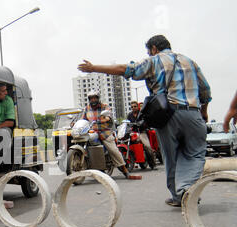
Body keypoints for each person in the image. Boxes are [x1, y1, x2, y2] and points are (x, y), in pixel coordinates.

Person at [78, 34, 212, 207]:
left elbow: (125, 69)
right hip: (193, 113)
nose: (149, 54)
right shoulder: (190, 62)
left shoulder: (154, 61)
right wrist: (204, 112)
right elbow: (206, 92)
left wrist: (93, 67)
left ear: (154, 49)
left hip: (167, 116)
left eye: (149, 51)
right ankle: (186, 189)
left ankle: (180, 193)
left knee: (170, 157)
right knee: (195, 154)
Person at [82, 91, 142, 180]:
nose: (93, 100)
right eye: (91, 98)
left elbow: (108, 116)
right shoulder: (87, 108)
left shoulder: (104, 106)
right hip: (92, 132)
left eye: (94, 98)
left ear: (98, 98)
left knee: (113, 150)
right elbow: (83, 119)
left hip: (104, 132)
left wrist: (104, 119)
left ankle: (126, 172)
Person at [126, 101, 156, 169]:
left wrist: (141, 123)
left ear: (138, 107)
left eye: (135, 106)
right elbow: (127, 123)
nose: (133, 108)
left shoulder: (142, 113)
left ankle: (152, 164)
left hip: (141, 132)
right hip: (133, 133)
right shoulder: (129, 115)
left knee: (147, 146)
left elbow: (145, 120)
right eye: (132, 107)